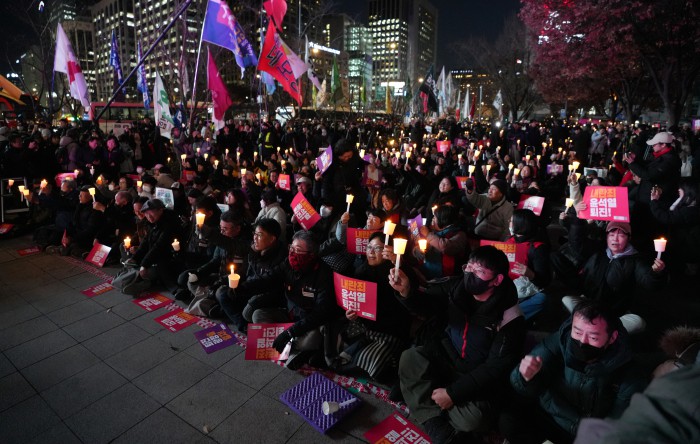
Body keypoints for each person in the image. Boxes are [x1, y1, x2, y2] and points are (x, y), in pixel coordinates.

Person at [390, 246, 526, 443]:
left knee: (475, 419)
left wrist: (453, 394)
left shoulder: (510, 318)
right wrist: (407, 292)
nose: (470, 273)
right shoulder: (457, 288)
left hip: (476, 377)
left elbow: (494, 368)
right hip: (448, 358)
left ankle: (424, 399)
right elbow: (429, 305)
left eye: (479, 271)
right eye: (468, 267)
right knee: (410, 358)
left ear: (497, 280)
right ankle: (435, 422)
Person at [501, 300, 643, 444]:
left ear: (612, 338)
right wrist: (525, 377)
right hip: (550, 413)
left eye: (593, 337)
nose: (582, 341)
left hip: (585, 433)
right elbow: (521, 385)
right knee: (509, 420)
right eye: (577, 332)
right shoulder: (560, 341)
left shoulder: (629, 374)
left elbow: (616, 426)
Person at [236, 230, 341, 369]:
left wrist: (290, 332)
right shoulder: (288, 263)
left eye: (297, 250)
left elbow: (321, 312)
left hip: (309, 322)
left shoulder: (324, 274)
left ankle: (297, 348)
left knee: (313, 337)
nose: (292, 253)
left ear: (311, 254)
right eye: (291, 248)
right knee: (258, 315)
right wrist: (242, 287)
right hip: (290, 313)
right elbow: (268, 278)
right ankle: (295, 349)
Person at [562, 221, 666, 334]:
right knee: (566, 300)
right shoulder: (598, 251)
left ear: (628, 238)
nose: (615, 239)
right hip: (588, 304)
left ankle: (595, 326)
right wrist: (579, 220)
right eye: (611, 235)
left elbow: (649, 282)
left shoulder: (635, 260)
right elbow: (577, 242)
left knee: (638, 323)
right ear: (606, 237)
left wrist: (656, 273)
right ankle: (599, 328)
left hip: (613, 312)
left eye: (621, 235)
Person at [123, 198, 183, 295]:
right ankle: (139, 279)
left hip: (170, 255)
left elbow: (159, 246)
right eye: (146, 214)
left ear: (160, 210)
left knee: (160, 263)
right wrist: (135, 258)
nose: (149, 217)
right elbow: (146, 241)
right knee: (133, 259)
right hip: (156, 252)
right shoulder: (153, 223)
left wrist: (144, 264)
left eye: (151, 213)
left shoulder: (169, 224)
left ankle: (171, 287)